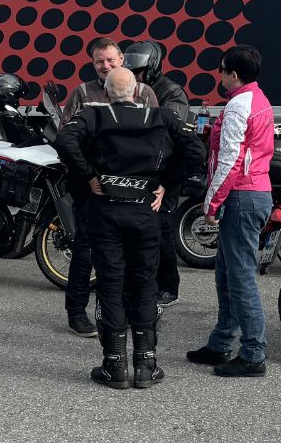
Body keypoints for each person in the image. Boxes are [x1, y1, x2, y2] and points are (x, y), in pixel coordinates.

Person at [55, 67, 205, 389]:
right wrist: (166, 183)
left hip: (107, 211)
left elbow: (64, 140)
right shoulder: (161, 116)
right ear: (137, 92)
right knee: (144, 283)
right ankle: (146, 365)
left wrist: (89, 176)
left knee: (110, 285)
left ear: (107, 92)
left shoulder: (93, 115)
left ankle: (115, 366)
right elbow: (196, 151)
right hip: (145, 213)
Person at [186, 45, 275, 378]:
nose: (220, 75)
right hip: (252, 194)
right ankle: (221, 342)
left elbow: (231, 160)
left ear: (233, 74)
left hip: (242, 197)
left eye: (221, 70)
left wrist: (211, 202)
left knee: (239, 279)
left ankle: (253, 354)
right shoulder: (258, 99)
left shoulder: (238, 105)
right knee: (226, 274)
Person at [60, 37, 158, 338]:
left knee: (126, 254)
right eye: (99, 61)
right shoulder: (82, 93)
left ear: (122, 60)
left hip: (131, 189)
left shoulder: (144, 93)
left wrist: (158, 184)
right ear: (92, 64)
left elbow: (158, 142)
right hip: (93, 189)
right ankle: (77, 313)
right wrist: (88, 176)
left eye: (110, 60)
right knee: (86, 249)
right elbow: (66, 139)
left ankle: (114, 313)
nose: (105, 66)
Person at [121, 41, 198, 308]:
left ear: (152, 68)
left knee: (161, 226)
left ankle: (168, 287)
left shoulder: (172, 93)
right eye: (131, 71)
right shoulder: (132, 89)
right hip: (142, 170)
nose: (135, 76)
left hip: (167, 171)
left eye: (139, 71)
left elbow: (168, 134)